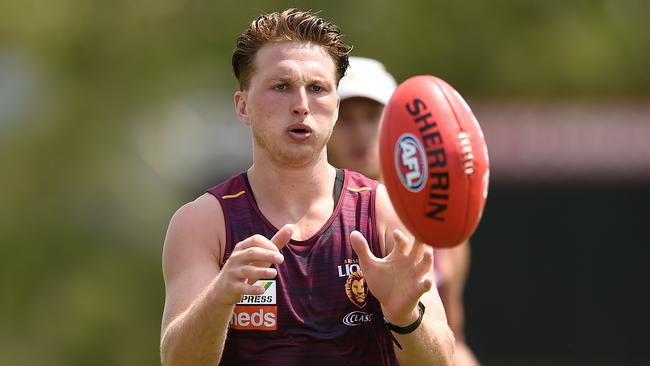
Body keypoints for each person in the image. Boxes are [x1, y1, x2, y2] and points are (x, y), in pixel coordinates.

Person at [160, 9, 455, 366]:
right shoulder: (204, 222)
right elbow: (178, 361)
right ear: (243, 106)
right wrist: (220, 296)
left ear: (334, 107)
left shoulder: (385, 212)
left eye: (317, 89)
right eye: (281, 86)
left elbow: (441, 362)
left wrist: (405, 315)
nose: (301, 105)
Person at [328, 57, 480, 366]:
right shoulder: (306, 220)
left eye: (373, 116)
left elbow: (453, 340)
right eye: (346, 119)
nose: (361, 132)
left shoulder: (439, 218)